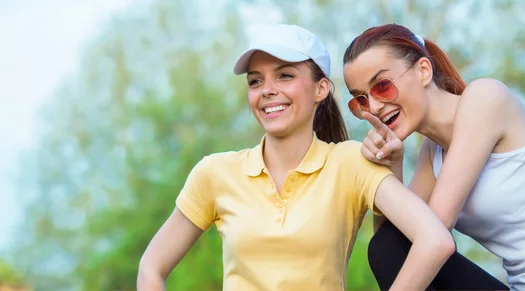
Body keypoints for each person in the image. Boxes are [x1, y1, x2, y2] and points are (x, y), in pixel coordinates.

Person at [136, 24, 455, 291]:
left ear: (321, 89)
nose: (267, 90)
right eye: (255, 80)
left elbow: (434, 241)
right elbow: (152, 266)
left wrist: (394, 165)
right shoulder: (215, 172)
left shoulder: (349, 162)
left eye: (285, 76)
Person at [342, 23, 525, 291]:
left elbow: (433, 238)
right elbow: (395, 240)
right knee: (389, 242)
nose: (373, 107)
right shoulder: (433, 153)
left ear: (423, 71)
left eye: (382, 86)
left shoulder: (485, 98)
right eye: (360, 100)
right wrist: (391, 164)